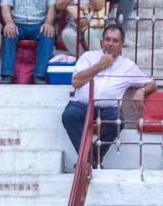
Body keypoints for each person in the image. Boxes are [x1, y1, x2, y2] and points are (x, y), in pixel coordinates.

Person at [63, 24, 155, 165]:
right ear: (101, 42)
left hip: (108, 109)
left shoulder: (127, 65)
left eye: (115, 41)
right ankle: (92, 160)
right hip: (82, 105)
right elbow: (76, 81)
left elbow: (152, 83)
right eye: (107, 40)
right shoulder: (88, 57)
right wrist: (100, 65)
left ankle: (89, 159)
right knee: (69, 115)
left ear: (121, 44)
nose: (110, 44)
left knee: (117, 121)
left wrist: (141, 91)